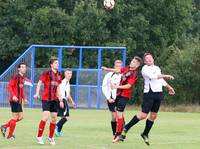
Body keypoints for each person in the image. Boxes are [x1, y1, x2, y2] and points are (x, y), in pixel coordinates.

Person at [121, 53, 175, 145]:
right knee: (143, 115)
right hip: (149, 93)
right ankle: (126, 127)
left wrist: (169, 87)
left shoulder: (157, 68)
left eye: (150, 57)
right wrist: (166, 75)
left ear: (153, 59)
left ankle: (145, 133)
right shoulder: (144, 69)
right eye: (147, 58)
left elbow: (160, 79)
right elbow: (152, 77)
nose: (149, 59)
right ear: (145, 61)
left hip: (158, 93)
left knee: (153, 116)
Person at [102, 56, 143, 143]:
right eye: (132, 61)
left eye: (134, 62)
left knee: (119, 114)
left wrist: (117, 86)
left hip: (124, 96)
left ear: (137, 65)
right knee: (117, 115)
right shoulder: (127, 68)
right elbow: (118, 70)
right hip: (118, 95)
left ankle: (118, 134)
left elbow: (128, 86)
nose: (132, 62)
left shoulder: (134, 74)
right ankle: (121, 131)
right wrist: (107, 69)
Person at [34, 56, 63, 145]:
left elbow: (58, 86)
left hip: (54, 99)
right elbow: (39, 82)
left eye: (58, 63)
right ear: (51, 65)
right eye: (55, 63)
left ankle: (51, 138)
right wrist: (37, 93)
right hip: (46, 98)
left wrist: (60, 97)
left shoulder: (59, 74)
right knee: (46, 117)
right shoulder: (47, 73)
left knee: (54, 119)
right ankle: (39, 137)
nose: (57, 64)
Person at [1, 63, 29, 139]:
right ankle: (10, 135)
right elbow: (10, 86)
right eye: (22, 67)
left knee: (20, 117)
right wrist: (13, 95)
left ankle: (5, 126)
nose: (24, 68)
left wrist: (24, 98)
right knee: (15, 117)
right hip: (14, 100)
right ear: (19, 69)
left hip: (19, 100)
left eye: (25, 67)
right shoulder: (16, 76)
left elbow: (22, 90)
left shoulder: (23, 78)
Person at [102, 60, 123, 136]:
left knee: (120, 116)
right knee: (114, 116)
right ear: (114, 66)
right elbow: (104, 87)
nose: (118, 68)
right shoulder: (109, 75)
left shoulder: (123, 75)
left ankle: (121, 133)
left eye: (120, 66)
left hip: (121, 98)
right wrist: (108, 97)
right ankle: (115, 133)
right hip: (112, 98)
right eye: (117, 66)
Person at [55, 68, 75, 137]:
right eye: (68, 73)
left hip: (64, 99)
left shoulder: (67, 82)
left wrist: (72, 101)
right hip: (62, 99)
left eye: (70, 73)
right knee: (67, 117)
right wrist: (60, 101)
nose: (69, 75)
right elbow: (58, 91)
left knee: (62, 117)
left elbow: (68, 94)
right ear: (65, 74)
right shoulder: (63, 82)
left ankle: (58, 131)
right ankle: (56, 126)